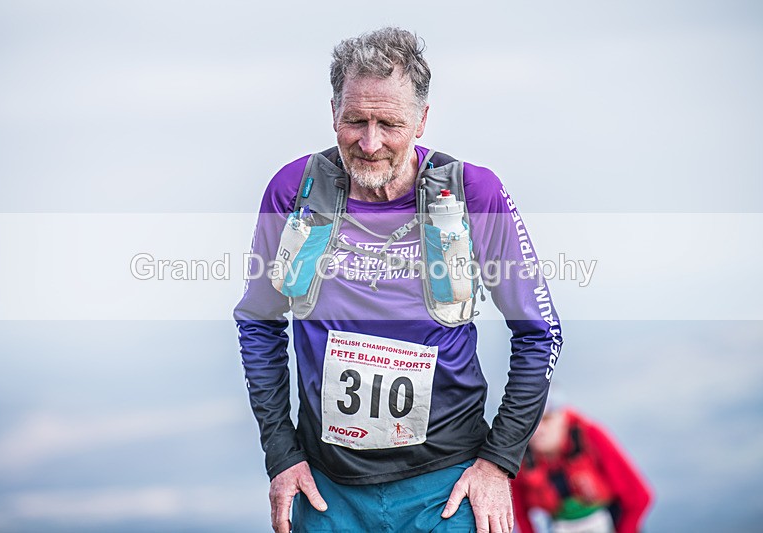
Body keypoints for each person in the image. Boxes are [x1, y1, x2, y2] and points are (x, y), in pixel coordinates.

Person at [234, 27, 563, 533]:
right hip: (326, 493)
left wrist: (498, 463)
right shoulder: (295, 191)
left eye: (389, 123)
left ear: (422, 120)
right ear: (333, 112)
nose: (370, 142)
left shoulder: (472, 193)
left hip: (447, 491)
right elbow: (258, 321)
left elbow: (541, 333)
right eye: (355, 121)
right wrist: (281, 455)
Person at [511, 398, 653, 533]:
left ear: (563, 417)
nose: (537, 430)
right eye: (530, 421)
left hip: (612, 524)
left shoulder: (591, 437)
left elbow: (640, 497)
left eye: (547, 419)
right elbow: (520, 514)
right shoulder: (520, 456)